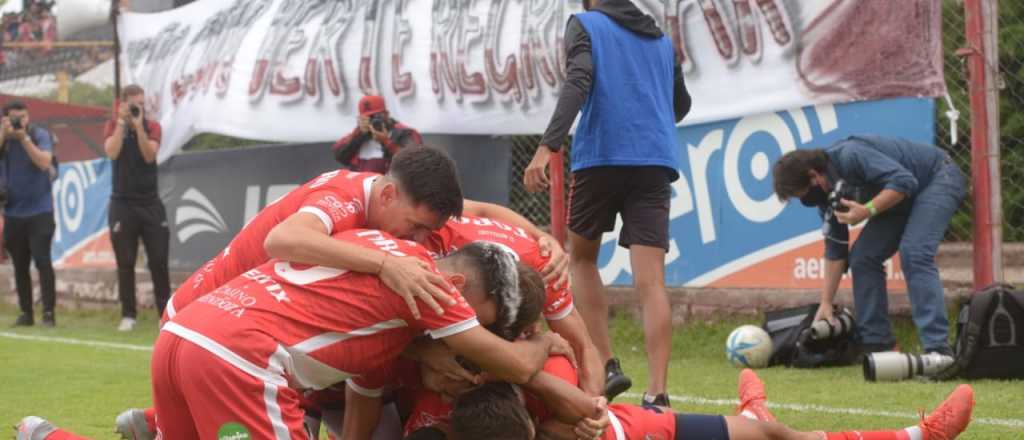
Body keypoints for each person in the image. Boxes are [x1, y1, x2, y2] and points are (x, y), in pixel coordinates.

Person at [152, 230, 567, 439]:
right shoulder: (432, 287)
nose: (466, 330)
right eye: (475, 320)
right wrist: (544, 340)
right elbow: (515, 364)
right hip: (240, 358)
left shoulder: (376, 245)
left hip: (183, 334)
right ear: (458, 287)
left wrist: (421, 351)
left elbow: (362, 401)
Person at [523, 0, 691, 405]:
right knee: (652, 281)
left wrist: (548, 146)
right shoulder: (661, 39)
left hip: (602, 158)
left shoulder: (585, 24)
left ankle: (607, 362)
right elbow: (681, 105)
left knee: (581, 259)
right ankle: (659, 392)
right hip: (654, 161)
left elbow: (579, 79)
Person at [771, 135, 967, 357]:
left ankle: (938, 349)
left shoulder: (850, 156)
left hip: (937, 178)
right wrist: (826, 303)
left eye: (802, 194)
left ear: (814, 175)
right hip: (901, 200)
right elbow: (836, 250)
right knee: (863, 258)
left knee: (914, 253)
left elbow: (905, 181)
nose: (804, 200)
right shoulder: (827, 196)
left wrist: (867, 210)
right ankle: (878, 346)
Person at [450, 365, 975, 440]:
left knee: (776, 439)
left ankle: (757, 419)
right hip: (644, 434)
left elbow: (567, 347)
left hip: (641, 424)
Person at [103, 85, 170, 332]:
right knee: (125, 261)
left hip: (150, 204)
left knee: (159, 260)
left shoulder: (152, 127)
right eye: (133, 104)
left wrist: (139, 126)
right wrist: (123, 124)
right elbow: (111, 152)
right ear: (122, 104)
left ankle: (165, 315)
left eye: (141, 103)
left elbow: (149, 155)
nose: (138, 108)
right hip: (122, 204)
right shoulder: (113, 126)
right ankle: (128, 315)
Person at [1, 100, 56, 327]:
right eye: (14, 118)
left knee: (43, 262)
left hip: (40, 210)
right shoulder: (4, 140)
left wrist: (23, 138)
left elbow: (44, 162)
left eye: (23, 117)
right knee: (20, 265)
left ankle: (48, 314)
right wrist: (4, 134)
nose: (19, 122)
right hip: (13, 212)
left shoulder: (39, 135)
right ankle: (26, 313)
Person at [333, 95, 423, 174]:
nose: (373, 121)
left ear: (386, 114)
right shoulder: (359, 135)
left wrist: (387, 142)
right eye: (368, 118)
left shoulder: (404, 133)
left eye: (376, 116)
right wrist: (358, 133)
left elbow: (416, 162)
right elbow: (339, 155)